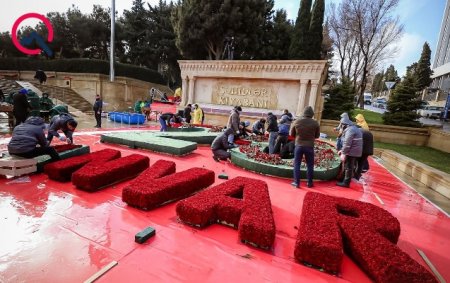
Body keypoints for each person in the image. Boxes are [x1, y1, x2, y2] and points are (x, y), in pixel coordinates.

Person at [290, 106, 320, 188]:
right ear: (312, 114)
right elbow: (317, 135)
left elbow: (292, 134)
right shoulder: (315, 123)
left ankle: (296, 183)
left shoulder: (297, 122)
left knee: (297, 164)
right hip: (309, 146)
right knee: (310, 165)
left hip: (299, 145)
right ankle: (309, 183)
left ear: (304, 113)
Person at [336, 115, 363, 188]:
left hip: (352, 151)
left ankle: (346, 183)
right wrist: (342, 150)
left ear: (345, 125)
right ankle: (343, 180)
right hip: (354, 151)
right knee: (349, 166)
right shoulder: (353, 128)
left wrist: (343, 153)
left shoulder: (350, 130)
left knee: (348, 167)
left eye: (342, 125)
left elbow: (347, 143)